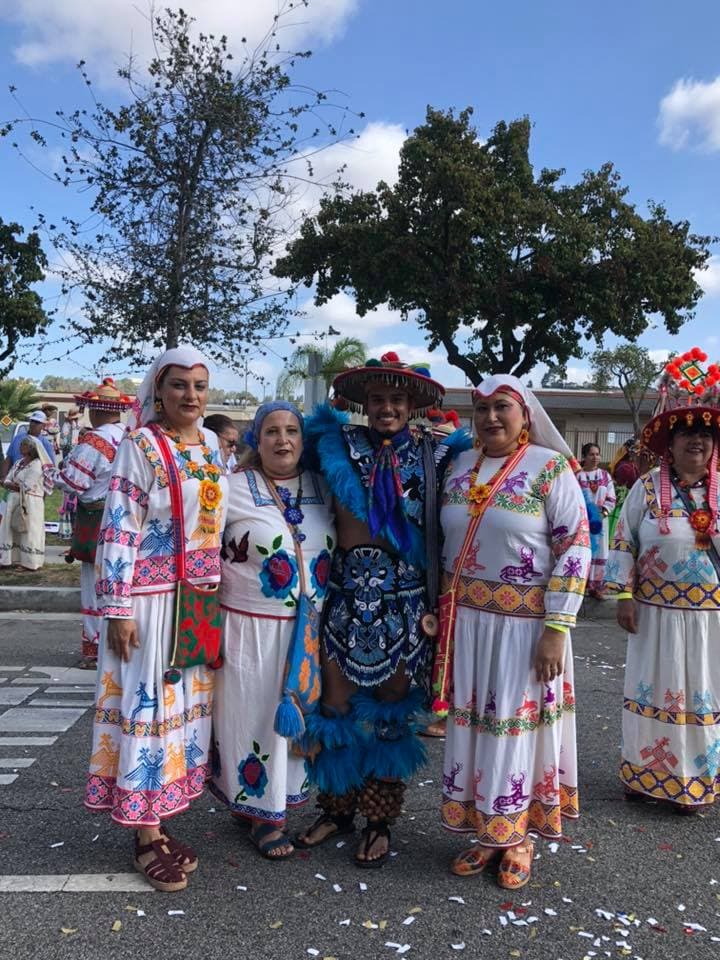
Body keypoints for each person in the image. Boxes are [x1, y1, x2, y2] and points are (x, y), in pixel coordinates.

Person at [297, 352, 469, 868]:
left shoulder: (440, 456)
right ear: (363, 403)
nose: (387, 408)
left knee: (394, 710)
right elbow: (276, 461)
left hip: (406, 598)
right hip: (347, 594)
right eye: (377, 399)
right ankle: (335, 809)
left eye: (396, 399)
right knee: (337, 704)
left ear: (413, 404)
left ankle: (379, 821)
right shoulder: (334, 444)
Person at [84, 346, 228, 892]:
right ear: (158, 391)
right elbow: (119, 527)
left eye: (199, 386)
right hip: (147, 598)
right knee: (148, 707)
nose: (190, 396)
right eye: (179, 386)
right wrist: (116, 609)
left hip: (197, 600)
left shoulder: (213, 445)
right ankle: (145, 838)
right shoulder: (139, 446)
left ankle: (159, 821)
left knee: (184, 712)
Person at [439, 375, 590, 889]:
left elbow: (575, 547)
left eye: (502, 407)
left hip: (527, 628)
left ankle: (519, 836)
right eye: (480, 409)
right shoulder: (460, 467)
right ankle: (488, 832)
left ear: (525, 415)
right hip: (470, 624)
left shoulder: (550, 469)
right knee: (477, 727)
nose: (490, 418)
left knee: (514, 727)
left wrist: (557, 627)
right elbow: (445, 544)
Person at [209, 401, 334, 859]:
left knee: (294, 721)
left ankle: (269, 806)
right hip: (247, 628)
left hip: (307, 631)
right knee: (253, 717)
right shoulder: (232, 488)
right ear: (255, 440)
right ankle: (262, 816)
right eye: (272, 432)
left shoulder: (323, 487)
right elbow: (200, 544)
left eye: (292, 431)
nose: (283, 441)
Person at [606, 349, 720, 814]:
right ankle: (644, 774)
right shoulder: (647, 488)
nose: (695, 440)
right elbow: (622, 541)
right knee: (646, 693)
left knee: (703, 696)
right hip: (652, 615)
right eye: (686, 432)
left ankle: (694, 780)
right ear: (669, 443)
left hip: (710, 619)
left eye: (704, 433)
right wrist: (625, 595)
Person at [49, 378, 132, 668]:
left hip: (97, 520)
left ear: (94, 411)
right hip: (128, 519)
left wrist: (52, 475)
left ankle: (97, 648)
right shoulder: (133, 436)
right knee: (122, 581)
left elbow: (75, 482)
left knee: (95, 584)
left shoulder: (94, 441)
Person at [0, 435, 52, 570]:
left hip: (30, 502)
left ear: (31, 448)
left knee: (29, 530)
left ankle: (30, 562)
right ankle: (9, 559)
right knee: (10, 528)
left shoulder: (37, 465)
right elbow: (9, 478)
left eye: (24, 444)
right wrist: (10, 483)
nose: (20, 446)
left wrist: (9, 484)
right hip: (14, 500)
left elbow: (26, 485)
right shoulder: (19, 463)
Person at [577, 443, 616, 598]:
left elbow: (611, 497)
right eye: (591, 454)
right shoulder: (577, 476)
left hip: (601, 520)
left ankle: (597, 586)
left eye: (597, 454)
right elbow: (574, 498)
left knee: (601, 551)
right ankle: (582, 584)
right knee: (584, 550)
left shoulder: (605, 476)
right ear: (584, 457)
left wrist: (603, 512)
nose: (595, 457)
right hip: (584, 521)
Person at [0, 411, 56, 482]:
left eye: (37, 422)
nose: (33, 424)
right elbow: (9, 458)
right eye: (32, 421)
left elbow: (50, 467)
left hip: (33, 482)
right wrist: (3, 477)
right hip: (15, 478)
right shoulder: (18, 438)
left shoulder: (45, 443)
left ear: (43, 426)